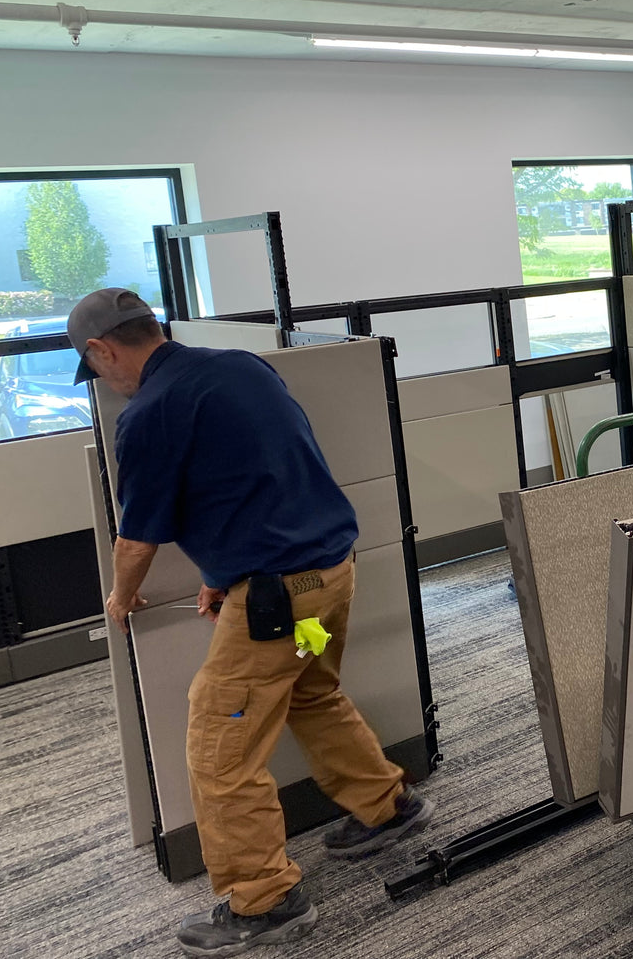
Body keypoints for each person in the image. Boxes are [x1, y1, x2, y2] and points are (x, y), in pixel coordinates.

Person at [72, 289, 435, 956]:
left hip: (278, 602)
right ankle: (388, 806)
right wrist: (223, 568)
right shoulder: (240, 366)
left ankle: (264, 900)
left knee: (220, 750)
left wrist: (121, 598)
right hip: (331, 578)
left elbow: (137, 538)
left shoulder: (148, 413)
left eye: (92, 367)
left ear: (102, 350)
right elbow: (260, 473)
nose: (101, 380)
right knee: (311, 693)